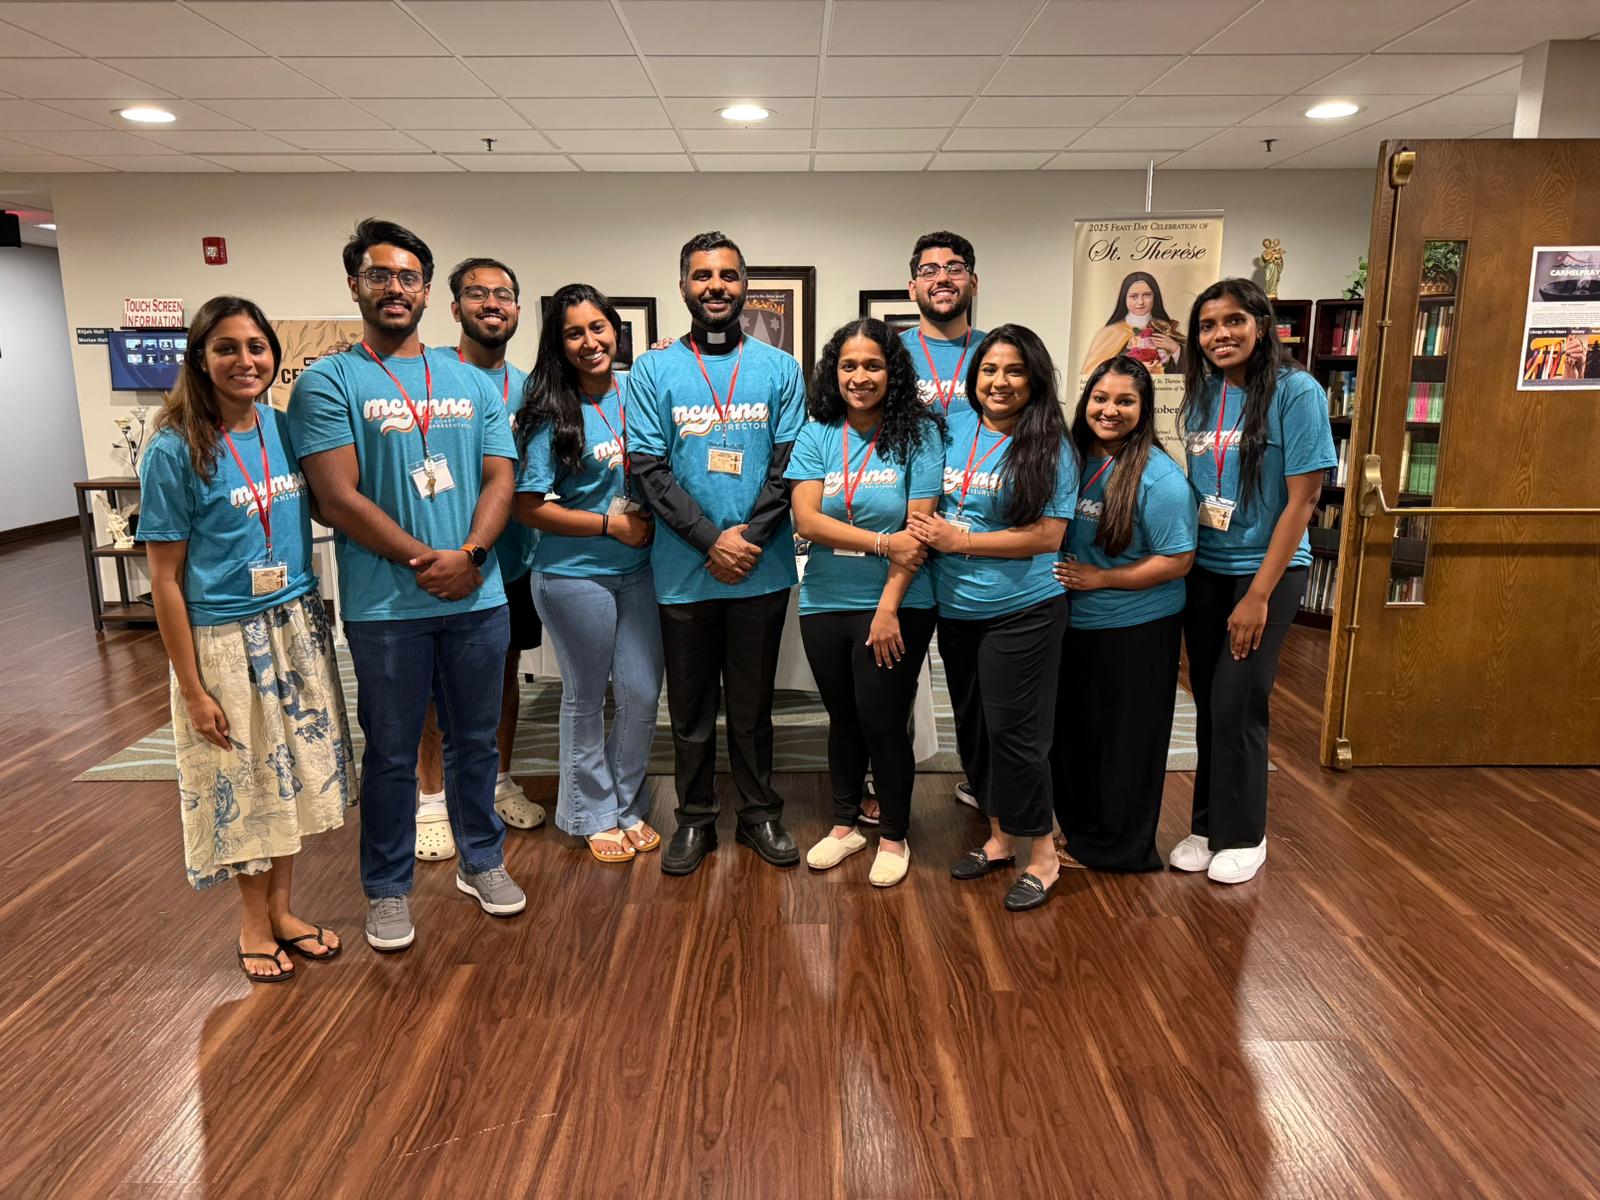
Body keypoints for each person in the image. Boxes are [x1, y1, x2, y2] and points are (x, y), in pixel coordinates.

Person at [288, 217, 526, 952]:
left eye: (408, 277)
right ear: (355, 285)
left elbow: (500, 476)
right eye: (379, 276)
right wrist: (433, 561)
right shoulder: (328, 382)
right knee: (391, 754)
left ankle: (481, 861)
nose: (395, 288)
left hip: (478, 596)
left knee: (475, 742)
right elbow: (337, 498)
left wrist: (473, 553)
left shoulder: (472, 381)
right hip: (386, 605)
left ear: (426, 292)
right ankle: (387, 888)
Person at [139, 295, 357, 982]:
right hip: (225, 638)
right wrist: (192, 688)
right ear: (199, 358)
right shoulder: (174, 448)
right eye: (226, 348)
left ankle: (284, 912)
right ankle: (252, 923)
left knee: (289, 778)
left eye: (256, 346)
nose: (245, 360)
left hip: (294, 624)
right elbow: (164, 580)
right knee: (246, 782)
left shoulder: (284, 429)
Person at [627, 231, 807, 876]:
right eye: (702, 276)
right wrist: (711, 540)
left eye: (728, 276)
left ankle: (759, 815)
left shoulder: (781, 368)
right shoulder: (652, 370)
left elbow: (790, 467)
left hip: (760, 568)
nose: (715, 287)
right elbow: (648, 468)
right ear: (683, 286)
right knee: (691, 709)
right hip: (684, 571)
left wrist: (745, 540)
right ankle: (696, 819)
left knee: (754, 709)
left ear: (744, 286)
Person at [907, 325, 1077, 911]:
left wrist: (962, 542)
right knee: (975, 729)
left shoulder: (1050, 444)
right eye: (989, 370)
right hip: (957, 608)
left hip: (1022, 609)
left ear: (1035, 379)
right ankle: (1001, 835)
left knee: (1017, 734)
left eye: (1014, 370)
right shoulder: (952, 428)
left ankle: (1043, 855)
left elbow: (1048, 535)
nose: (999, 382)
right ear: (973, 377)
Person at [1172, 277, 1335, 885]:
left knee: (1238, 702)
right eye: (1208, 325)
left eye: (1234, 321)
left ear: (1262, 326)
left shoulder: (1296, 391)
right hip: (1207, 569)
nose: (1220, 334)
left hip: (1266, 572)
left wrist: (1259, 595)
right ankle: (1207, 825)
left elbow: (1304, 500)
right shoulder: (1203, 393)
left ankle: (1244, 835)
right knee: (1210, 700)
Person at [786, 319, 944, 887]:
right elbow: (806, 520)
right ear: (834, 372)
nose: (860, 377)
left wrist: (887, 608)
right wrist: (881, 542)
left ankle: (895, 834)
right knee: (844, 718)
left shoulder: (920, 434)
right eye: (848, 366)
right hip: (824, 600)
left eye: (873, 365)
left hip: (897, 603)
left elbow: (918, 532)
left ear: (892, 372)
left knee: (883, 720)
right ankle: (845, 824)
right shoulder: (817, 434)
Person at [514, 284, 663, 863]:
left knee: (642, 694)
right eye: (573, 333)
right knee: (586, 697)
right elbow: (529, 506)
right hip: (573, 575)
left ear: (615, 330)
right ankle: (590, 812)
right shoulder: (549, 410)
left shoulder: (639, 392)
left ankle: (626, 803)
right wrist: (609, 525)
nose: (589, 342)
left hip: (640, 571)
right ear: (559, 343)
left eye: (597, 328)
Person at [413, 256, 546, 862]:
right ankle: (432, 798)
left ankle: (497, 781)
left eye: (503, 294)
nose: (492, 304)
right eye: (477, 293)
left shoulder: (531, 388)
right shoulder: (429, 376)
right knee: (433, 685)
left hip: (510, 560)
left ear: (516, 308)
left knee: (501, 676)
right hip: (441, 556)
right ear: (454, 307)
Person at [1050, 356, 1196, 872]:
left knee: (1125, 742)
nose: (1109, 410)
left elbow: (1178, 560)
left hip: (1136, 627)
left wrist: (1102, 578)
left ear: (1144, 409)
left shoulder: (1160, 478)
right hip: (1073, 623)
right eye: (1101, 398)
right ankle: (1082, 831)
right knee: (1077, 735)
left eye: (1125, 401)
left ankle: (1122, 848)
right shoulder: (1069, 457)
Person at [902, 229, 986, 814]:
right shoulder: (891, 352)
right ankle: (888, 783)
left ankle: (986, 783)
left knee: (975, 679)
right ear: (913, 287)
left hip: (975, 531)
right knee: (896, 673)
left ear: (973, 281)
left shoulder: (996, 351)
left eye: (954, 268)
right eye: (930, 270)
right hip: (907, 527)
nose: (943, 278)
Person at [1080, 270, 1184, 377]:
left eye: (1147, 295)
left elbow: (1189, 371)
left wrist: (1176, 350)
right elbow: (1092, 376)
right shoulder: (1108, 333)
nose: (1140, 302)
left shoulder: (1166, 328)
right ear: (1124, 298)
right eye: (1133, 296)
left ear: (1155, 296)